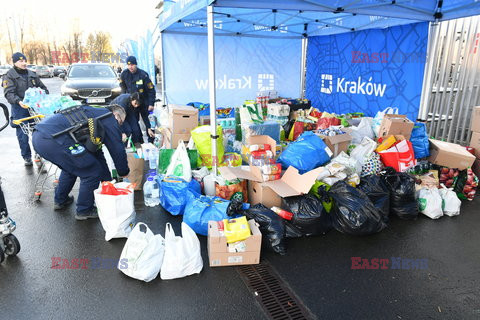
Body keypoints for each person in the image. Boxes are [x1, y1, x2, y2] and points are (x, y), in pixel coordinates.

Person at [32, 105, 129, 220]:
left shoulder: (94, 114)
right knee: (91, 170)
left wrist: (107, 182)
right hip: (53, 139)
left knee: (75, 165)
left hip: (39, 137)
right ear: (116, 115)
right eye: (120, 122)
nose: (119, 126)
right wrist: (123, 171)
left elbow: (97, 153)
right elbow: (117, 149)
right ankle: (84, 210)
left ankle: (61, 200)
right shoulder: (108, 118)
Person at [3, 52, 49, 166]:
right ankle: (26, 156)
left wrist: (42, 96)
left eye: (25, 61)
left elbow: (44, 88)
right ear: (14, 62)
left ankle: (38, 153)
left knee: (37, 132)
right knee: (22, 135)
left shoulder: (32, 74)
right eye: (21, 61)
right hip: (19, 108)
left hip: (34, 109)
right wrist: (19, 101)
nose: (24, 63)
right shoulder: (9, 76)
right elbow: (9, 93)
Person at [119, 56, 156, 141]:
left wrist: (151, 103)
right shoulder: (124, 74)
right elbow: (123, 88)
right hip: (132, 104)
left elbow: (151, 90)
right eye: (128, 65)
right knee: (134, 123)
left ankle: (151, 141)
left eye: (132, 65)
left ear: (136, 64)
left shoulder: (143, 75)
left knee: (149, 122)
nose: (130, 67)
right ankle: (139, 141)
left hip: (144, 103)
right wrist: (125, 100)